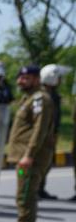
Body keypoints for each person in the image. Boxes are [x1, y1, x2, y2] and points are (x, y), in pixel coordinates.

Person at [0, 65, 58, 222]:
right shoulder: (29, 98)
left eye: (26, 78)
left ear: (37, 79)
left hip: (30, 159)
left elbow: (40, 130)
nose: (20, 81)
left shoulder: (40, 99)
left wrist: (29, 155)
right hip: (24, 157)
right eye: (20, 77)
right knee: (23, 194)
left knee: (25, 195)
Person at [37, 64, 67, 200]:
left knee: (46, 163)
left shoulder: (54, 95)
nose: (60, 80)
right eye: (58, 77)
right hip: (42, 134)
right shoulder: (41, 96)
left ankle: (40, 188)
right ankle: (34, 189)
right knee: (38, 163)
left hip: (51, 134)